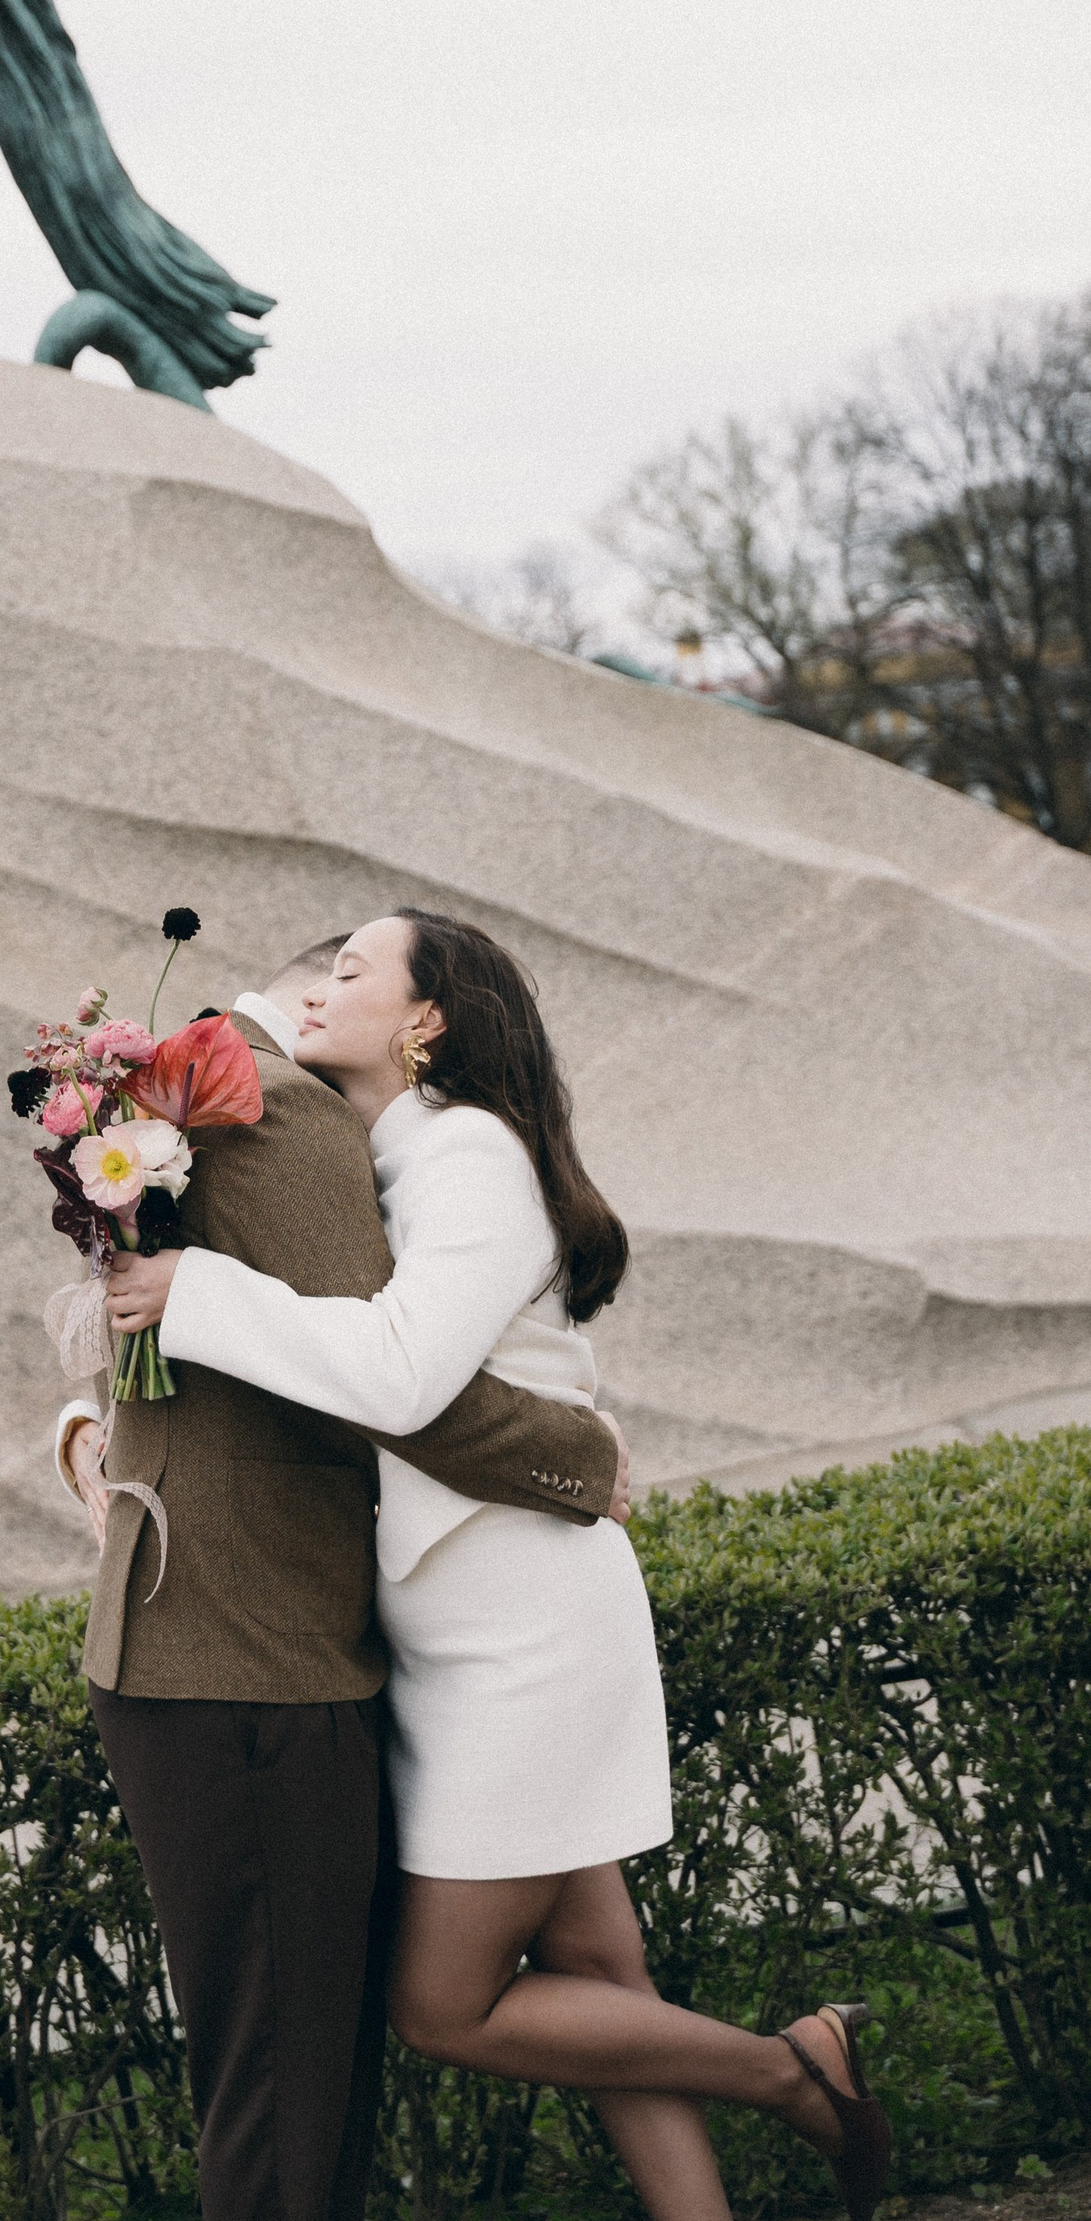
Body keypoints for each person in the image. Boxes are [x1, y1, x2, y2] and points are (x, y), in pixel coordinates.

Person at [103, 913, 894, 2221]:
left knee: (443, 2005)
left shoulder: (466, 1147)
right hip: (459, 1610)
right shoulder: (392, 1146)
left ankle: (792, 2067)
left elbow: (404, 1375)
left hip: (517, 1622)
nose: (319, 987)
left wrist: (198, 1289)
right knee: (599, 1968)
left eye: (354, 970)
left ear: (427, 1020)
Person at [49, 946, 628, 2221]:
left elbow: (183, 1331)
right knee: (291, 2093)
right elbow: (389, 1382)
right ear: (317, 989)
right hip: (259, 1656)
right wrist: (579, 1455)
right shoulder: (284, 1113)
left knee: (275, 2073)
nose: (333, 994)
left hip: (188, 1643)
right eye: (344, 962)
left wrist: (91, 1429)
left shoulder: (181, 1096)